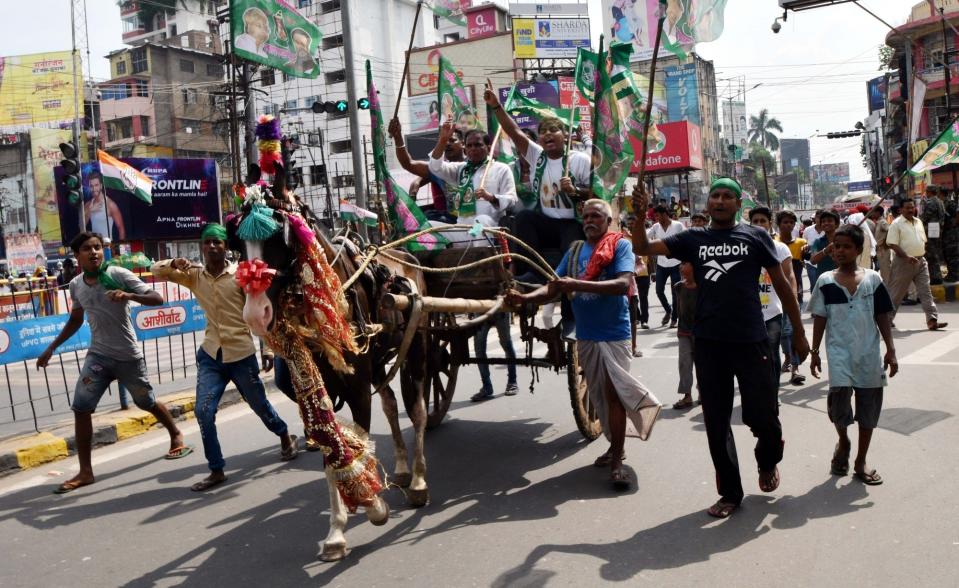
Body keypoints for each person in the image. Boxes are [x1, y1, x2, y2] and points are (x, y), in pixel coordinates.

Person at [631, 178, 809, 519]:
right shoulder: (692, 239)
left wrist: (798, 331)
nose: (720, 200)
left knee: (765, 418)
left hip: (752, 339)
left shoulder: (755, 237)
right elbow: (643, 248)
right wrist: (639, 217)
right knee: (716, 420)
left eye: (728, 196)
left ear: (738, 202)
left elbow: (784, 285)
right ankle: (730, 492)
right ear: (708, 202)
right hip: (709, 342)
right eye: (715, 195)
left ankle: (768, 459)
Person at [507, 199, 661, 490]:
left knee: (614, 397)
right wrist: (524, 298)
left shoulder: (620, 246)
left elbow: (620, 284)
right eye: (586, 216)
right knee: (601, 400)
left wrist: (576, 285)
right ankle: (616, 446)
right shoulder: (575, 250)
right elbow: (554, 286)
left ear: (607, 220)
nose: (590, 220)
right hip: (586, 336)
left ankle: (617, 462)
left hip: (614, 335)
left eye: (597, 216)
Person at [36, 232, 190, 494]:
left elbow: (157, 298)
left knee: (146, 401)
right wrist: (51, 347)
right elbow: (75, 320)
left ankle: (175, 432)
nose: (95, 252)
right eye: (87, 248)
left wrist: (128, 296)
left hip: (128, 356)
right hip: (98, 356)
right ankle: (86, 472)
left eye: (98, 247)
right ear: (77, 255)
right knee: (81, 407)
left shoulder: (118, 274)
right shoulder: (76, 285)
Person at [152, 223, 298, 492]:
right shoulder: (194, 275)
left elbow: (258, 313)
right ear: (201, 247)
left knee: (260, 406)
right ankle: (216, 469)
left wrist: (266, 349)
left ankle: (284, 433)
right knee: (203, 412)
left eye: (217, 242)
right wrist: (174, 261)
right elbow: (155, 270)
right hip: (211, 355)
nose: (211, 247)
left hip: (241, 354)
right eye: (207, 242)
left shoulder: (241, 276)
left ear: (225, 247)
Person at [809, 224, 898, 486]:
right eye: (837, 246)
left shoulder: (872, 279)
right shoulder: (825, 281)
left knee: (868, 410)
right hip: (838, 354)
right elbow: (819, 318)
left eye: (847, 246)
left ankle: (860, 460)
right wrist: (814, 352)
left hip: (868, 354)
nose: (840, 251)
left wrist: (891, 351)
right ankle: (844, 441)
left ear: (859, 250)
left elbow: (882, 315)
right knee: (838, 407)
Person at [484, 82, 591, 281]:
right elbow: (514, 132)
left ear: (565, 135)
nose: (547, 134)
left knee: (571, 249)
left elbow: (596, 193)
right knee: (524, 218)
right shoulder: (537, 156)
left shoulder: (579, 160)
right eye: (542, 132)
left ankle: (568, 282)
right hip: (547, 221)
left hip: (572, 222)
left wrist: (576, 190)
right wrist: (496, 106)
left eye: (553, 130)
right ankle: (533, 272)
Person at [427, 120, 517, 229]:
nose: (473, 148)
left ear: (488, 148)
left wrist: (490, 197)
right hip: (462, 228)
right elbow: (435, 167)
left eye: (478, 145)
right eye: (469, 146)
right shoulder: (460, 169)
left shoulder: (501, 169)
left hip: (489, 227)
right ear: (465, 150)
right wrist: (443, 140)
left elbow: (511, 200)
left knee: (481, 220)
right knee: (428, 226)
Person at [750, 207, 801, 390]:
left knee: (772, 352)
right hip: (750, 313)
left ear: (769, 223)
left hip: (773, 311)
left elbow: (790, 276)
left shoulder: (779, 248)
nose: (759, 225)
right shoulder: (744, 247)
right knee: (752, 355)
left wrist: (792, 300)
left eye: (762, 221)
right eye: (755, 221)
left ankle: (772, 391)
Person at [885, 198, 948, 330]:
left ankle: (932, 320)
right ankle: (886, 320)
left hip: (920, 261)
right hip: (903, 262)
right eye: (907, 207)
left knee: (926, 291)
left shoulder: (918, 221)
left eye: (912, 207)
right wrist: (907, 256)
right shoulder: (896, 224)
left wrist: (920, 254)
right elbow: (892, 244)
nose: (910, 209)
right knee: (896, 294)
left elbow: (922, 240)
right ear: (900, 210)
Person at [388, 117, 463, 223]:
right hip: (451, 224)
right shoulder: (440, 169)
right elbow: (408, 164)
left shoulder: (476, 166)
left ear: (463, 144)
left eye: (452, 140)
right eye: (444, 141)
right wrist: (398, 137)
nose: (447, 144)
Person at [646, 204, 685, 327]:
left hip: (676, 264)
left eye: (657, 215)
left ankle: (674, 318)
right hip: (661, 264)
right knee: (658, 291)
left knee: (675, 292)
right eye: (655, 215)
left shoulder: (678, 226)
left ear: (664, 214)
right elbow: (645, 237)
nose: (656, 218)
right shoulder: (655, 227)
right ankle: (668, 310)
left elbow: (686, 239)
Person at [471, 313, 519, 401]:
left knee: (506, 344)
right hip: (480, 311)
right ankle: (487, 386)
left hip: (501, 311)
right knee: (479, 348)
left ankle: (512, 381)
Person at [673, 262, 697, 410]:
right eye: (681, 266)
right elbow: (679, 308)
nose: (682, 268)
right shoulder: (678, 287)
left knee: (702, 364)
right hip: (684, 331)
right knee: (684, 363)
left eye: (686, 265)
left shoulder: (703, 286)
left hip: (701, 332)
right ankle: (687, 395)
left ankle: (704, 393)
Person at [84, 172, 125, 242]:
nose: (94, 189)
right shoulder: (88, 205)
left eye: (96, 185)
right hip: (95, 246)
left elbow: (121, 228)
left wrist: (120, 248)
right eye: (91, 186)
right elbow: (82, 226)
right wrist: (90, 211)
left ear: (101, 185)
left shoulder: (110, 204)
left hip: (107, 246)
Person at [921, 185, 946, 285]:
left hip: (930, 229)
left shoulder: (930, 202)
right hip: (937, 229)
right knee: (935, 253)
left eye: (927, 191)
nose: (926, 192)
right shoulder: (940, 201)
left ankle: (935, 277)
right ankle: (937, 276)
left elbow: (926, 217)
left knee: (931, 254)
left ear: (930, 192)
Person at [809, 209, 840, 275]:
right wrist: (825, 250)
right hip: (823, 280)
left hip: (841, 279)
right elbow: (812, 260)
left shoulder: (843, 241)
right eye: (823, 221)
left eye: (829, 221)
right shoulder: (817, 242)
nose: (826, 223)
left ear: (837, 224)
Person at [871, 205, 892, 284]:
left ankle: (888, 288)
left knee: (885, 270)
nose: (872, 214)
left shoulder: (883, 222)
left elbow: (890, 231)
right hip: (879, 250)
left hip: (883, 250)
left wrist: (885, 242)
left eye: (874, 212)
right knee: (883, 270)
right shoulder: (879, 222)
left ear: (878, 213)